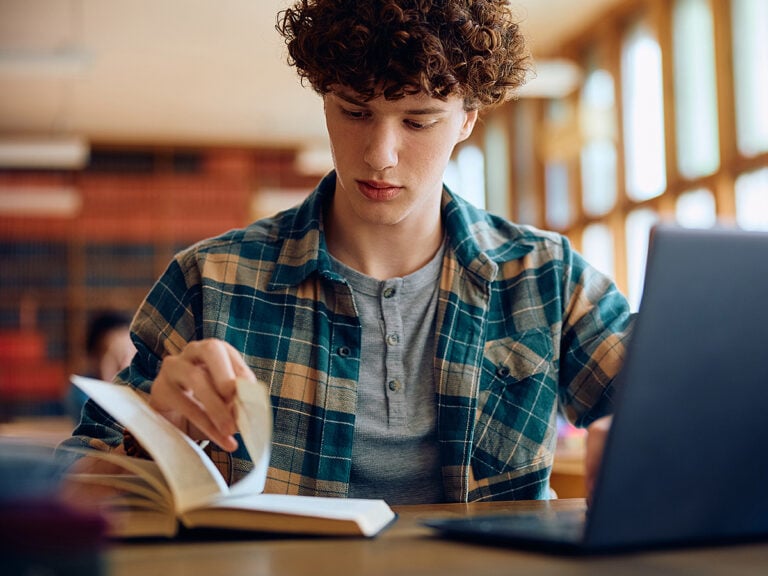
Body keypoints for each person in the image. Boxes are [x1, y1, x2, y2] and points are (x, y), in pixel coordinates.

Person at [63, 0, 632, 504]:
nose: (381, 155)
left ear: (468, 119)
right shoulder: (208, 280)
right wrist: (153, 429)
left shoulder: (548, 278)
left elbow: (687, 408)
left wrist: (652, 431)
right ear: (323, 100)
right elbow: (68, 491)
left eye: (418, 120)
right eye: (355, 112)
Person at [66, 310, 136, 423]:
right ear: (93, 357)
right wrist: (110, 378)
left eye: (127, 352)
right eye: (112, 355)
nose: (124, 364)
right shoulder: (81, 392)